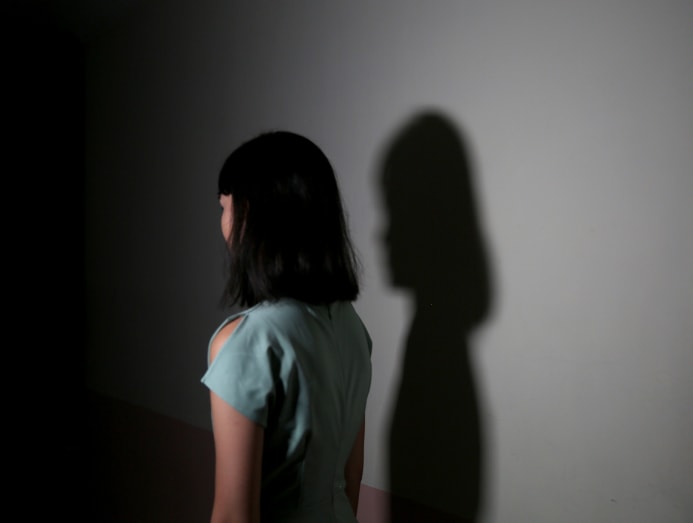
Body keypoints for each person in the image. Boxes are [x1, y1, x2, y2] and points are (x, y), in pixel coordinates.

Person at [201, 130, 373, 523]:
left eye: (225, 206)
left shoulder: (247, 340)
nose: (223, 222)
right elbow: (351, 478)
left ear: (250, 214)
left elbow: (233, 515)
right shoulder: (353, 328)